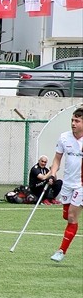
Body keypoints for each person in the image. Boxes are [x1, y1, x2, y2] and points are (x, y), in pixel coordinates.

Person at [47, 107, 83, 262]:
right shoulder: (64, 138)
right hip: (67, 183)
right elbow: (57, 159)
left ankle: (61, 251)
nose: (73, 124)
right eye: (72, 120)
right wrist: (53, 172)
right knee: (66, 215)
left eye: (77, 121)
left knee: (71, 217)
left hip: (80, 185)